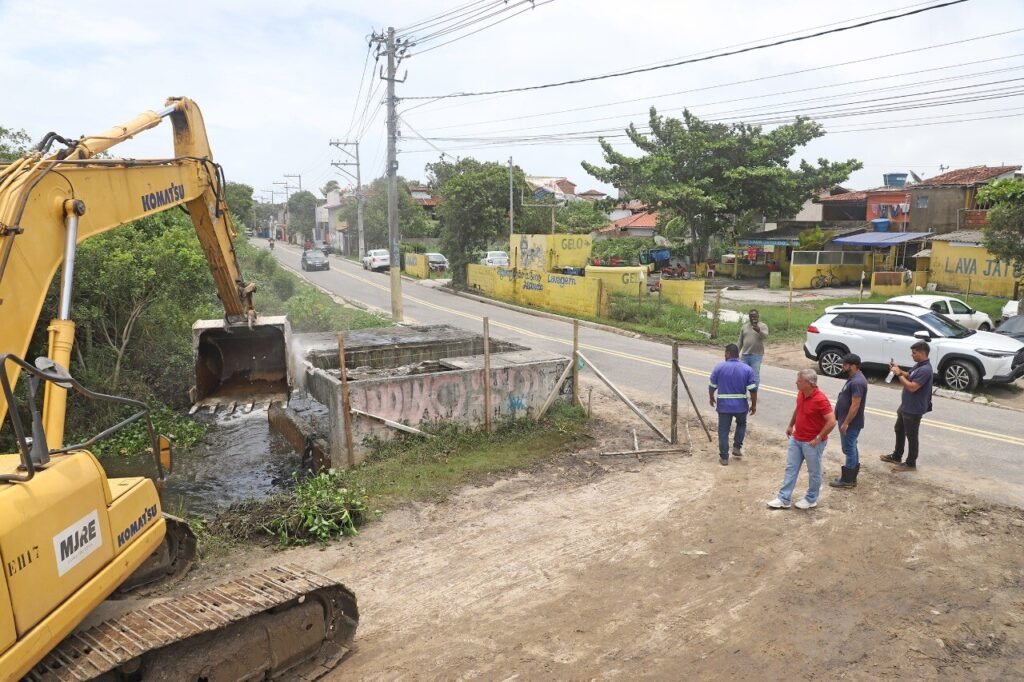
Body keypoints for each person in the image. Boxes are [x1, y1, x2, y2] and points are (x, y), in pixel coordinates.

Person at [767, 369, 837, 510]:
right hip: (797, 438)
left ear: (809, 383)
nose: (796, 382)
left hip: (812, 443)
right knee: (791, 468)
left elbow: (832, 421)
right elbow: (798, 409)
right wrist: (791, 425)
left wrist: (818, 438)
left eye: (799, 381)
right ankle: (783, 498)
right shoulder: (801, 393)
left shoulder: (820, 400)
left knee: (814, 472)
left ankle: (811, 499)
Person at [880, 341, 934, 471]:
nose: (912, 355)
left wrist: (898, 374)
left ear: (922, 353)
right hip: (906, 406)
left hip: (914, 409)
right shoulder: (920, 365)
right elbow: (910, 376)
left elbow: (912, 387)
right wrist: (898, 369)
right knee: (899, 429)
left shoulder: (926, 369)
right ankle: (897, 456)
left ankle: (911, 463)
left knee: (911, 436)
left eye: (914, 353)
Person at [708, 344, 758, 466]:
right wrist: (754, 405)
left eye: (725, 353)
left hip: (724, 406)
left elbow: (712, 386)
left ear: (729, 354)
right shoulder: (747, 369)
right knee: (741, 424)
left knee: (723, 431)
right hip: (741, 406)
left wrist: (711, 397)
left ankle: (724, 458)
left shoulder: (719, 368)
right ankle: (737, 447)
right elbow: (753, 389)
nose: (724, 355)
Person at [830, 353, 868, 489]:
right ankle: (851, 476)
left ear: (852, 366)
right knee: (851, 447)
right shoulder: (854, 378)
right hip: (848, 421)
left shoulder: (857, 382)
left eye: (845, 364)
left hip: (851, 423)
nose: (842, 366)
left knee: (849, 448)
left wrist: (846, 422)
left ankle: (848, 480)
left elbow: (855, 405)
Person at [738, 309, 769, 386]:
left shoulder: (763, 326)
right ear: (749, 317)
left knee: (755, 376)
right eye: (751, 316)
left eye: (754, 316)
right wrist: (736, 353)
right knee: (742, 375)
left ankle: (753, 396)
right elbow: (740, 342)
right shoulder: (744, 326)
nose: (753, 318)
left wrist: (759, 331)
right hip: (745, 355)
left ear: (758, 316)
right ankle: (742, 394)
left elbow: (765, 336)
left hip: (756, 355)